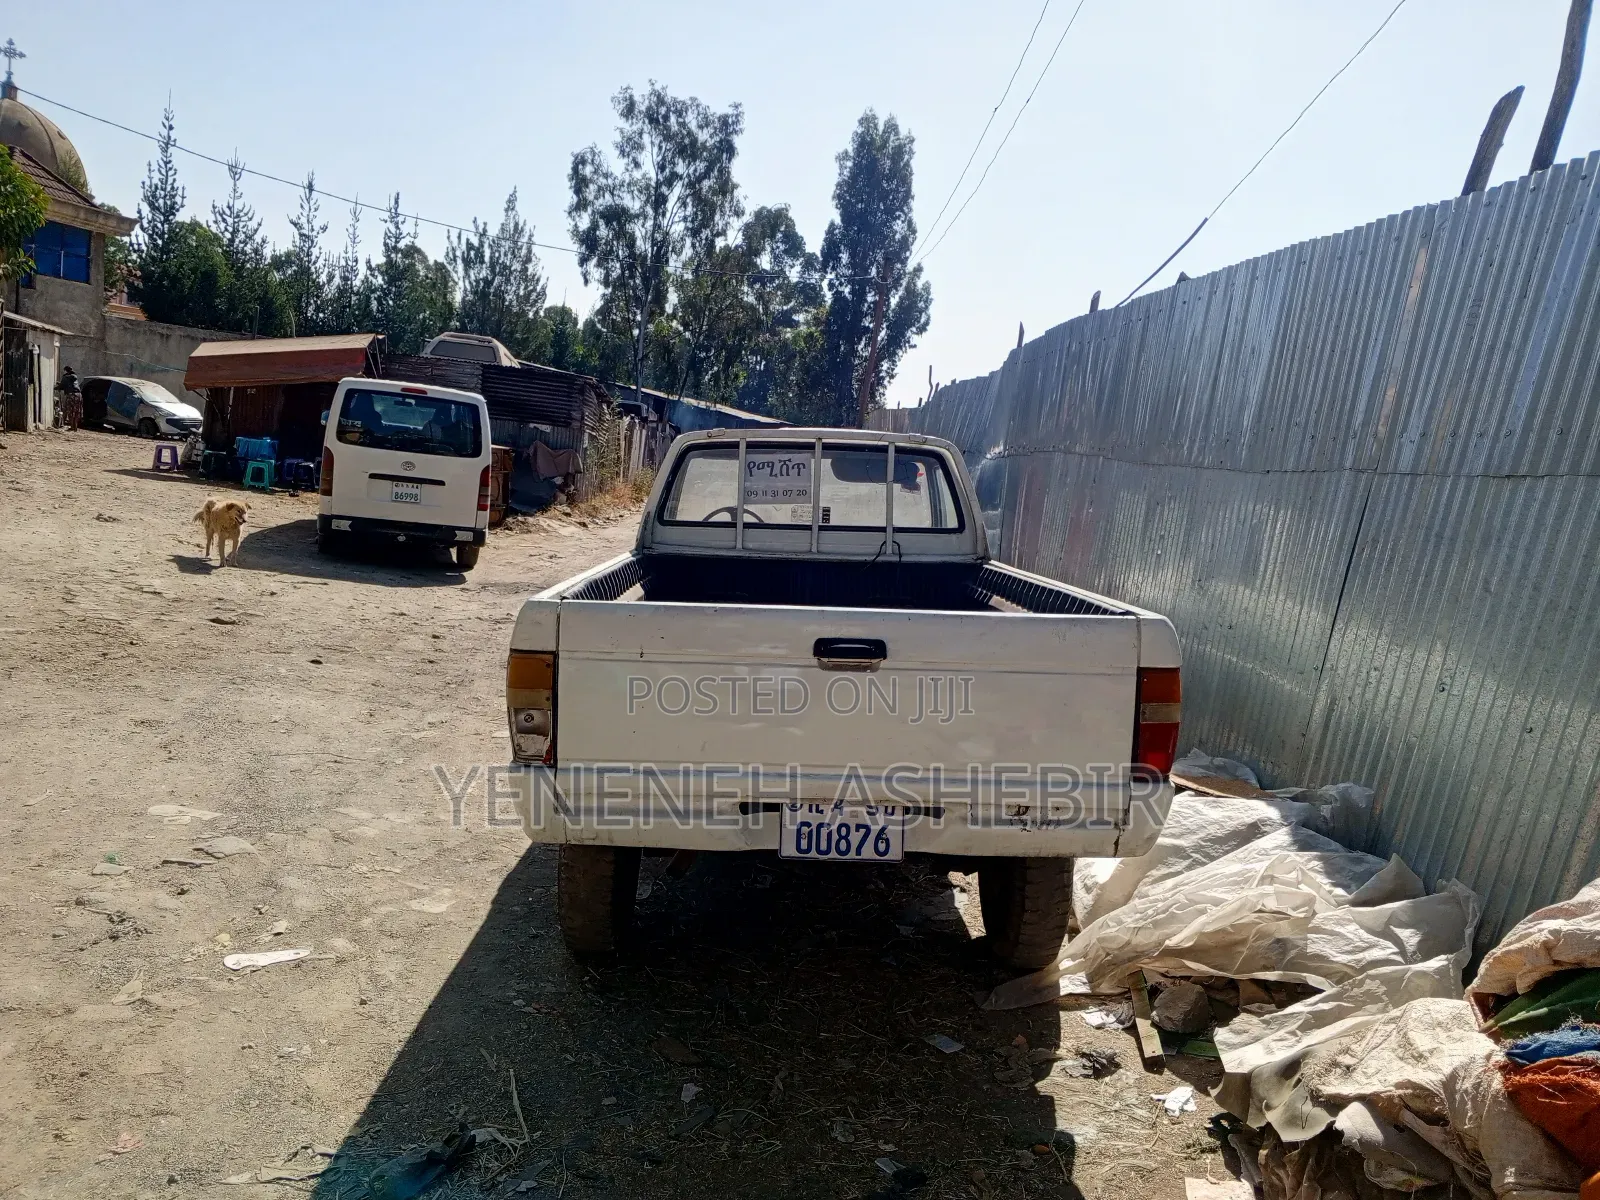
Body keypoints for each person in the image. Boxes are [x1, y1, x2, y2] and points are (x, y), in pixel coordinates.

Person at [57, 365, 82, 431]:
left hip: (71, 395)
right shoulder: (75, 376)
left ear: (65, 371)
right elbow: (70, 384)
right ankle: (75, 427)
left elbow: (62, 386)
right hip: (79, 395)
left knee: (70, 411)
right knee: (76, 411)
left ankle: (72, 426)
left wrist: (57, 387)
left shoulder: (65, 377)